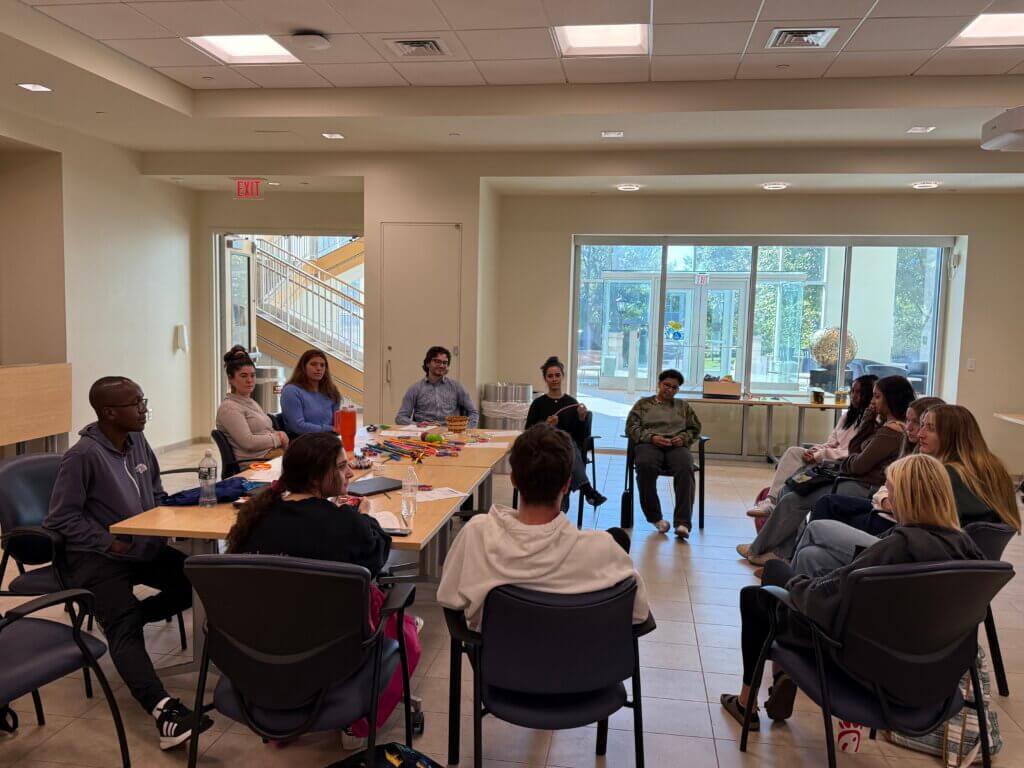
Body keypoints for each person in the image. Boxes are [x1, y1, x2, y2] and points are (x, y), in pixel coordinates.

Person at [720, 453, 985, 730]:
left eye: (891, 493)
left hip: (862, 667)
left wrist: (796, 585)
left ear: (907, 498)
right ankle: (780, 681)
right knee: (811, 559)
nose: (888, 502)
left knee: (764, 588)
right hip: (932, 679)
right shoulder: (969, 553)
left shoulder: (897, 548)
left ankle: (748, 702)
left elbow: (826, 596)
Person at [44, 377, 212, 750]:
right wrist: (109, 543)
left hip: (141, 548)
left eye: (143, 400)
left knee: (198, 581)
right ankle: (162, 710)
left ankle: (128, 621)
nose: (144, 409)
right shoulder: (83, 456)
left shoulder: (138, 441)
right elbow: (60, 520)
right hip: (96, 558)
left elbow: (154, 491)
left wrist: (167, 523)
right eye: (135, 403)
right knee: (123, 625)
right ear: (108, 412)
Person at [226, 432, 417, 742]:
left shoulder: (256, 518)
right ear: (317, 478)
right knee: (396, 620)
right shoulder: (345, 524)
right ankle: (355, 726)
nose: (351, 473)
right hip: (333, 655)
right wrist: (364, 517)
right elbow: (376, 560)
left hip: (262, 654)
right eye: (342, 467)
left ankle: (283, 721)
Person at [437, 423, 649, 631]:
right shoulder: (603, 549)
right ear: (567, 484)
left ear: (513, 480)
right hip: (581, 663)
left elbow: (449, 597)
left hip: (500, 663)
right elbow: (639, 614)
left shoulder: (477, 534)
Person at [737, 375, 916, 565]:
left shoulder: (890, 433)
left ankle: (768, 551)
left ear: (891, 399)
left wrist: (847, 459)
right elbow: (855, 452)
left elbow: (857, 463)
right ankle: (776, 550)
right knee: (791, 490)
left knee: (795, 499)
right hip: (853, 479)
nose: (873, 402)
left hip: (862, 486)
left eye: (877, 397)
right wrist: (865, 425)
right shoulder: (882, 427)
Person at [747, 374, 877, 518]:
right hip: (826, 457)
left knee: (795, 481)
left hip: (838, 465)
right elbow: (831, 443)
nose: (854, 396)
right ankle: (771, 501)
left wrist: (819, 456)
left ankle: (780, 506)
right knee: (794, 452)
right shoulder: (847, 417)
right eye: (853, 391)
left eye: (860, 393)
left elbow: (851, 453)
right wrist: (815, 450)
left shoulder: (871, 424)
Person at [625, 369, 702, 539]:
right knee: (645, 466)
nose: (670, 390)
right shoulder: (643, 405)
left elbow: (695, 429)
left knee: (685, 467)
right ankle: (656, 518)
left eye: (675, 388)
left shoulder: (683, 407)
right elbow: (631, 427)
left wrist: (683, 438)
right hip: (649, 444)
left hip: (676, 446)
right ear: (659, 384)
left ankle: (682, 523)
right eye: (667, 385)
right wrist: (651, 437)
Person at [525, 356, 606, 508]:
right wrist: (546, 425)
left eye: (557, 375)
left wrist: (581, 418)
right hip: (544, 448)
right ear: (545, 379)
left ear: (562, 377)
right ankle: (586, 490)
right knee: (566, 448)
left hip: (567, 448)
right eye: (550, 376)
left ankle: (562, 503)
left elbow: (580, 436)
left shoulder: (571, 403)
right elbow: (528, 432)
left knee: (568, 445)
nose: (554, 379)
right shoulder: (538, 404)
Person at [215, 346, 289, 461]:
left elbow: (266, 431)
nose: (250, 380)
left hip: (271, 453)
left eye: (252, 375)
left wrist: (278, 434)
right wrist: (278, 438)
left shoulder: (250, 402)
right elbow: (248, 442)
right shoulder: (229, 408)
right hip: (257, 461)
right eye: (243, 376)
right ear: (230, 379)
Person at [395, 345, 479, 428]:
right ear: (427, 363)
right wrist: (417, 425)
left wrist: (466, 430)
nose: (442, 365)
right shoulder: (415, 388)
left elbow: (473, 413)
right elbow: (400, 418)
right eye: (437, 361)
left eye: (445, 363)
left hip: (450, 433)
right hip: (424, 433)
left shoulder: (456, 387)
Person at [280, 349, 342, 435]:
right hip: (304, 442)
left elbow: (338, 425)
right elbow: (298, 427)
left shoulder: (331, 390)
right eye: (313, 364)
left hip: (329, 440)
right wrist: (331, 429)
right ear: (303, 367)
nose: (319, 368)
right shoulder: (291, 391)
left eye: (322, 365)